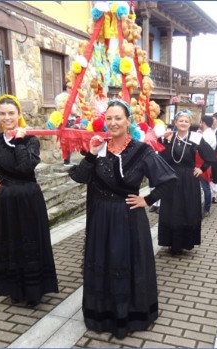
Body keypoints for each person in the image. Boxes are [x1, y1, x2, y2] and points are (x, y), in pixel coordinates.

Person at [68, 99, 177, 339]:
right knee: (104, 263)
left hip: (128, 218)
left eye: (118, 118)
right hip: (101, 219)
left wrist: (147, 200)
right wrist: (91, 154)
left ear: (128, 121)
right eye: (109, 118)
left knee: (127, 264)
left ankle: (128, 315)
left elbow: (169, 180)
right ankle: (103, 314)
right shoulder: (99, 148)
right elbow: (79, 176)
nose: (113, 123)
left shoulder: (141, 150)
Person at [0, 94, 59, 308]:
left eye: (11, 113)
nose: (7, 117)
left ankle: (34, 292)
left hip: (29, 199)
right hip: (7, 201)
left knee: (30, 243)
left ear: (19, 115)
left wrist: (19, 139)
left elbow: (26, 167)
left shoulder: (30, 140)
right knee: (10, 244)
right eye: (3, 114)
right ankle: (15, 290)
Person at [158, 110, 217, 255]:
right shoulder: (169, 137)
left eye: (186, 121)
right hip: (171, 178)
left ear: (190, 124)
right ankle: (171, 243)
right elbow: (161, 155)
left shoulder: (196, 137)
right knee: (171, 210)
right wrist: (164, 141)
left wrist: (201, 169)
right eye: (180, 121)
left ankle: (185, 242)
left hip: (188, 179)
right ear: (175, 122)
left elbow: (210, 155)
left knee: (186, 209)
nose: (183, 123)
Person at [55, 82, 80, 166]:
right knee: (69, 141)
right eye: (71, 88)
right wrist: (77, 115)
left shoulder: (58, 97)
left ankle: (67, 160)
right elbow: (71, 110)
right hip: (69, 120)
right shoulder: (68, 97)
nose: (73, 90)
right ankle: (67, 160)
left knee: (64, 141)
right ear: (67, 88)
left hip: (61, 120)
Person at [198, 115, 217, 217]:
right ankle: (205, 208)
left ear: (203, 123)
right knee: (204, 187)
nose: (199, 124)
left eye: (200, 122)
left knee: (205, 187)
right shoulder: (207, 133)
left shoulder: (207, 135)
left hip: (203, 163)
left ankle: (206, 208)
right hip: (202, 162)